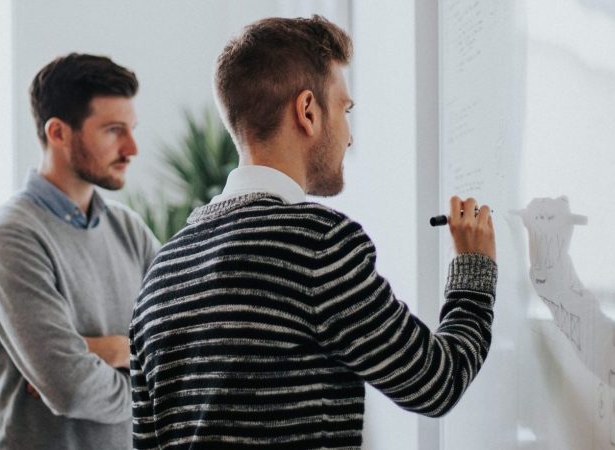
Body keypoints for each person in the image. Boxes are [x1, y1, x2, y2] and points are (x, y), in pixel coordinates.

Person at [130, 15, 497, 449]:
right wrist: (474, 267)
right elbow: (436, 382)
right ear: (307, 111)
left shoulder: (162, 272)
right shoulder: (316, 243)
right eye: (345, 110)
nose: (349, 137)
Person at [0, 53, 160, 450]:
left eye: (132, 129)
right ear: (58, 132)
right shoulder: (10, 237)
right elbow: (70, 389)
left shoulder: (129, 230)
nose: (132, 148)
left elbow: (181, 351)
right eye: (113, 130)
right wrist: (137, 372)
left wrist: (108, 350)